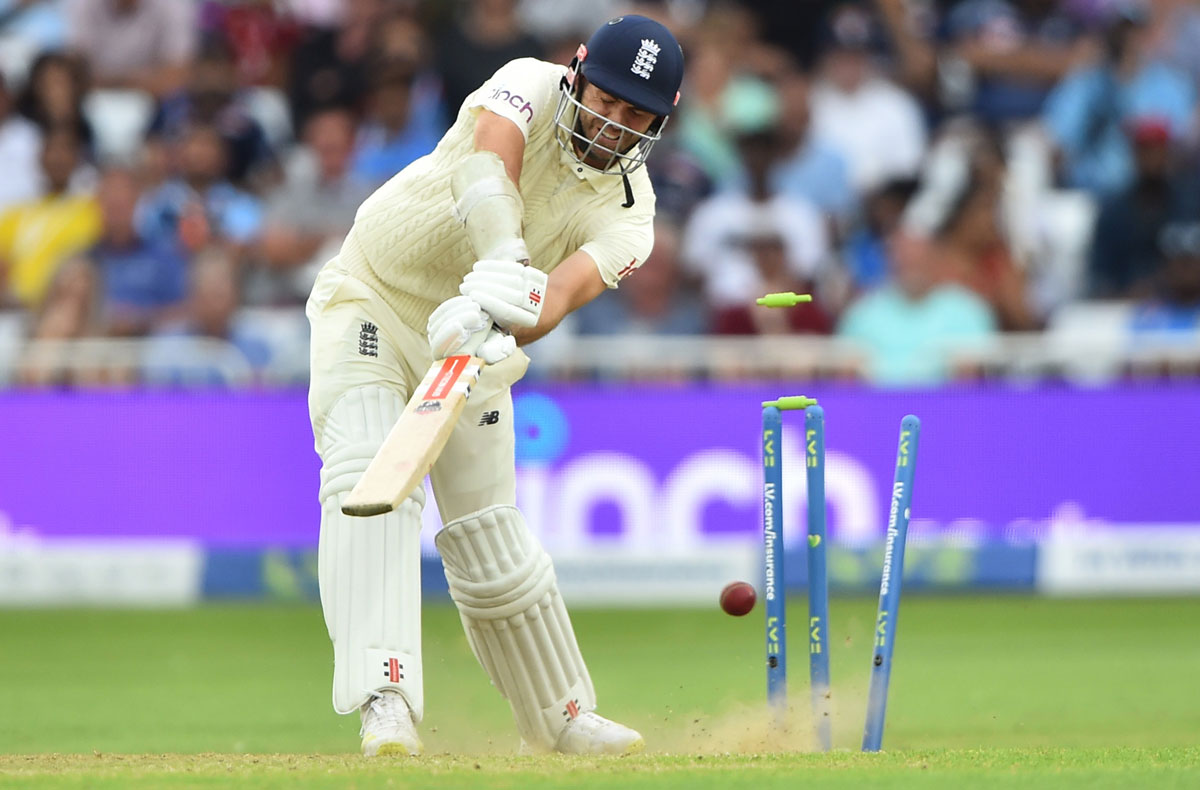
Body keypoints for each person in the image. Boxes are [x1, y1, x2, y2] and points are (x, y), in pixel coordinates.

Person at [304, 15, 684, 756]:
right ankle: (385, 698)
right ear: (577, 71)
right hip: (374, 298)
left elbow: (562, 296)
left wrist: (502, 317)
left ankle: (562, 717)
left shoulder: (632, 216)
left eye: (636, 116)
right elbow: (487, 167)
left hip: (472, 346)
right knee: (367, 479)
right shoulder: (526, 84)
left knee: (492, 541)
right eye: (606, 100)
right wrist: (504, 261)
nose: (613, 126)